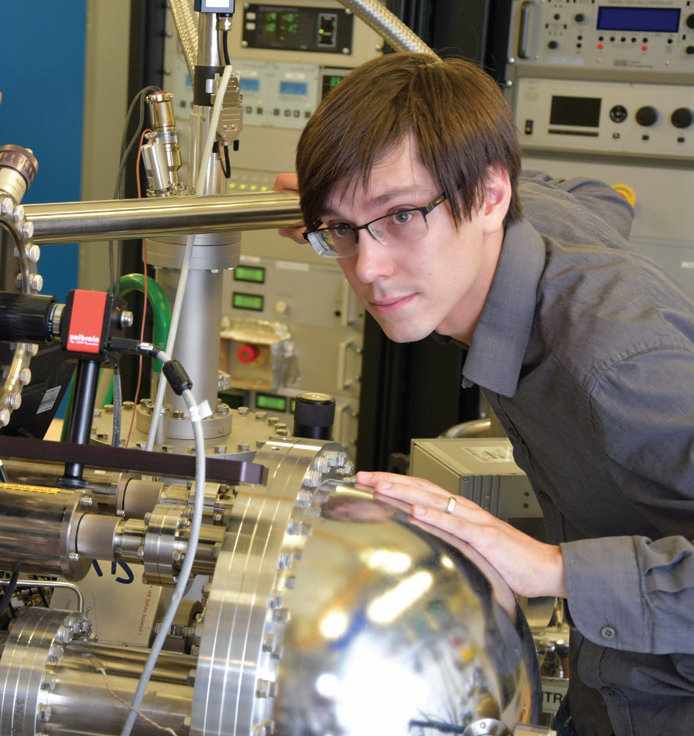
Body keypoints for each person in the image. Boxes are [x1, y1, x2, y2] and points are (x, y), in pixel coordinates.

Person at [276, 52, 694, 736]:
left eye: (402, 217)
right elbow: (596, 195)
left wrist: (549, 568)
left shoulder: (615, 366)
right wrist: (359, 208)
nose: (369, 270)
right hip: (618, 678)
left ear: (493, 196)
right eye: (341, 232)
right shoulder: (526, 220)